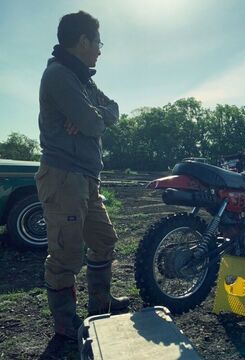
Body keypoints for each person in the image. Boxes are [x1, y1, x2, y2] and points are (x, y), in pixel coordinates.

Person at [35, 11, 129, 340]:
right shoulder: (59, 75)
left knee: (104, 241)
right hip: (63, 177)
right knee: (66, 255)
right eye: (98, 42)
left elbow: (113, 110)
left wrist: (93, 116)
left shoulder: (83, 79)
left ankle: (99, 305)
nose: (100, 50)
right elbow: (91, 124)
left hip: (88, 177)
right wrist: (90, 120)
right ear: (84, 41)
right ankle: (64, 325)